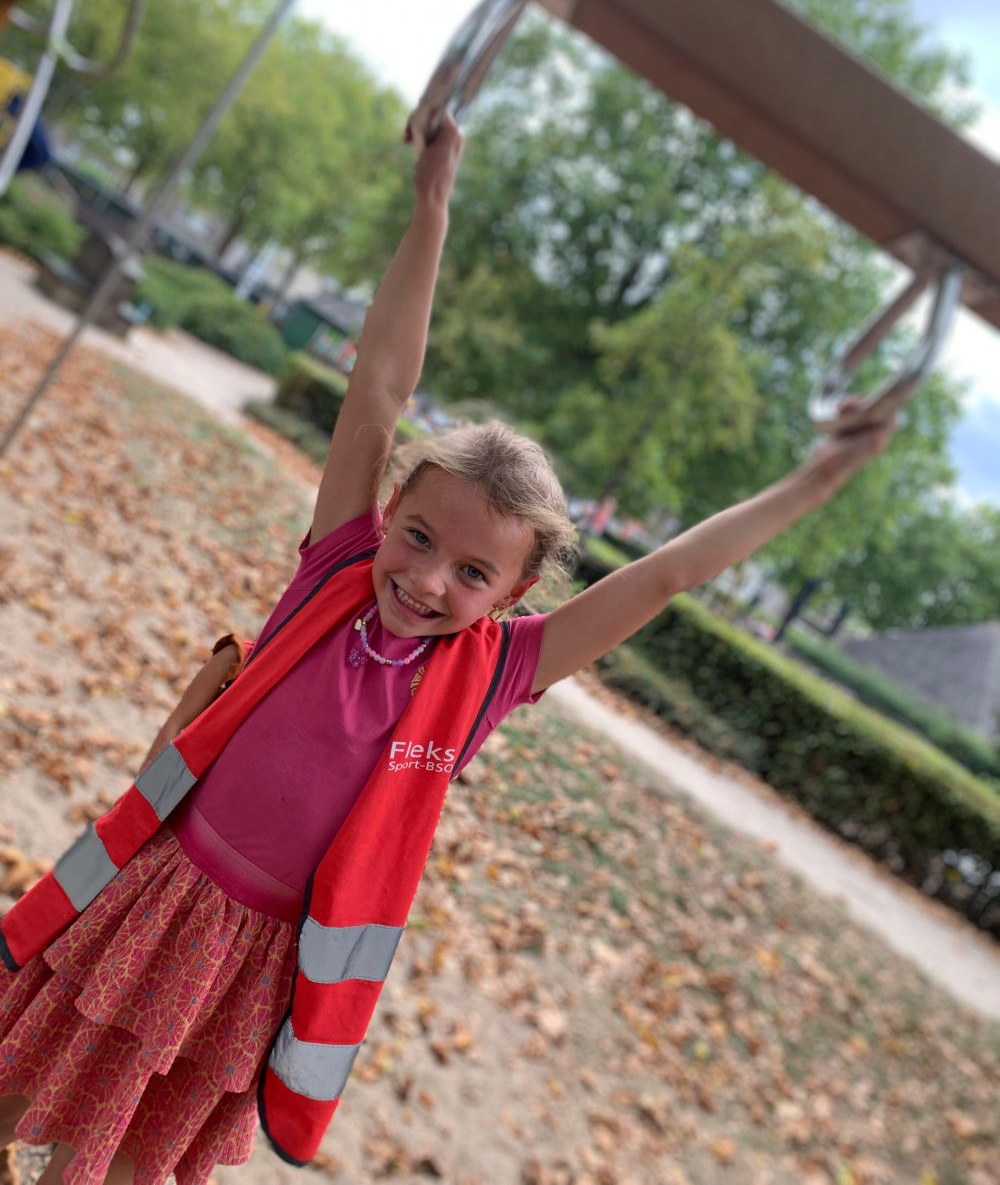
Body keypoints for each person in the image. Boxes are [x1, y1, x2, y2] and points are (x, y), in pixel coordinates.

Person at [0, 114, 894, 1184]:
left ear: (515, 593)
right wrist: (433, 202)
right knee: (23, 1073)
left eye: (472, 574)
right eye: (416, 537)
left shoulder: (493, 673)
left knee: (99, 1154)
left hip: (242, 968)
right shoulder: (334, 575)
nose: (427, 579)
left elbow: (667, 575)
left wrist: (817, 482)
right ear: (385, 513)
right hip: (155, 892)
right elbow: (377, 393)